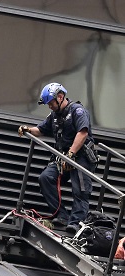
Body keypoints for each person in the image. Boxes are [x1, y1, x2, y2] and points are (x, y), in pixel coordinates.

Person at [18, 83, 99, 234]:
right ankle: (61, 216)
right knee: (46, 178)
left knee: (80, 191)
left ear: (60, 97)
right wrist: (28, 129)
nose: (49, 106)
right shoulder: (54, 116)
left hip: (81, 157)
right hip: (64, 158)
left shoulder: (78, 111)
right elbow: (41, 129)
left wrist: (71, 154)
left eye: (51, 103)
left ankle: (76, 224)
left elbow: (82, 133)